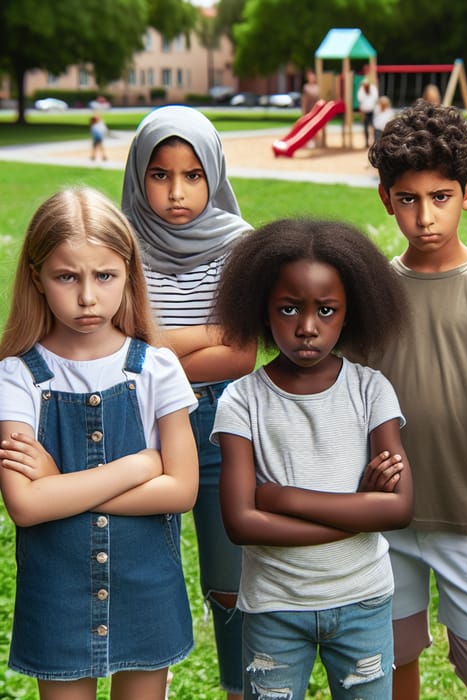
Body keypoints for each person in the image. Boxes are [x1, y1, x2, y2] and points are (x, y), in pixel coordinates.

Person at [0, 187, 198, 700]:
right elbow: (24, 504)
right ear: (38, 280)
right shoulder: (18, 377)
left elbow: (181, 490)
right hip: (56, 595)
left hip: (145, 588)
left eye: (104, 276)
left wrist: (58, 487)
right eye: (67, 276)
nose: (87, 297)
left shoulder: (157, 367)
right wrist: (140, 465)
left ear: (129, 274)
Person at [366, 99, 467, 700]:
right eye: (408, 199)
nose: (425, 216)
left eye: (441, 196)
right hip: (387, 517)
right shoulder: (373, 292)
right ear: (386, 199)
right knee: (391, 655)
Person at [210, 218, 414, 699]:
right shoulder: (241, 401)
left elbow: (399, 508)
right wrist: (358, 512)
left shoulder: (371, 390)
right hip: (275, 607)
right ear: (261, 309)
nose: (306, 327)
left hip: (363, 601)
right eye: (288, 309)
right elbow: (241, 523)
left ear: (350, 312)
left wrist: (281, 496)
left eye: (326, 310)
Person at [121, 105, 257, 700]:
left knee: (232, 582)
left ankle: (239, 688)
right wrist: (208, 337)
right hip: (137, 425)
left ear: (215, 174)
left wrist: (156, 347)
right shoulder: (120, 245)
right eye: (160, 174)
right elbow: (115, 346)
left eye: (193, 174)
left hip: (220, 425)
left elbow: (240, 357)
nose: (177, 192)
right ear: (137, 176)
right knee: (143, 578)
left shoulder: (241, 245)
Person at [357, 77, 379, 147]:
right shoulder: (361, 90)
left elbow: (375, 100)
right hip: (366, 111)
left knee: (374, 126)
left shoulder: (373, 89)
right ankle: (367, 142)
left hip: (372, 111)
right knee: (366, 127)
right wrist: (362, 111)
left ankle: (375, 141)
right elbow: (360, 101)